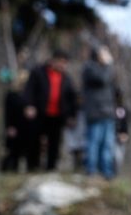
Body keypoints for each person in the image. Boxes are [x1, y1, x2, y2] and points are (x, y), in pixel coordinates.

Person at [24, 51, 78, 171]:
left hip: (57, 115)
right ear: (54, 60)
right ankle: (33, 166)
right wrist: (29, 106)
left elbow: (71, 98)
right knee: (34, 140)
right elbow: (29, 90)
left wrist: (71, 116)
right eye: (61, 62)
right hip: (39, 113)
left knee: (54, 143)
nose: (63, 65)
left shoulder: (66, 78)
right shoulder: (38, 72)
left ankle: (51, 167)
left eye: (65, 63)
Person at [82, 45, 118, 179]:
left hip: (107, 113)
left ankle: (106, 172)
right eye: (104, 52)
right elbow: (102, 79)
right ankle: (91, 170)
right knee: (94, 143)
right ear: (97, 54)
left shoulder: (105, 69)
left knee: (107, 144)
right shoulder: (89, 68)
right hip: (95, 113)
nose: (107, 55)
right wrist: (109, 65)